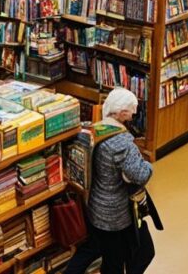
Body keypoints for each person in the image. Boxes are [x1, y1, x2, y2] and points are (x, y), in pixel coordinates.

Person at [65, 88, 155, 274]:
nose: (133, 116)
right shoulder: (121, 143)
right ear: (122, 113)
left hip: (94, 205)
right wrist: (148, 165)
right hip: (115, 214)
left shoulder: (91, 130)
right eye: (132, 111)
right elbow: (141, 175)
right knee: (120, 258)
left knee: (97, 248)